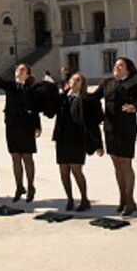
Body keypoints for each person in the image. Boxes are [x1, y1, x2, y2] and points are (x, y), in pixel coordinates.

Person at [88, 57, 137, 216]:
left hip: (126, 128)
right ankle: (122, 198)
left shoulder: (134, 82)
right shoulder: (107, 82)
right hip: (109, 128)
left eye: (120, 65)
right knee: (116, 164)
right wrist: (78, 94)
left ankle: (130, 200)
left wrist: (135, 107)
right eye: (115, 65)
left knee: (125, 164)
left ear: (128, 69)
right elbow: (93, 98)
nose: (116, 67)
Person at [52, 73, 103, 211]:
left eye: (78, 80)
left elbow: (94, 123)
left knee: (76, 170)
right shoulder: (62, 98)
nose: (74, 82)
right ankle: (69, 199)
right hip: (62, 138)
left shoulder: (86, 99)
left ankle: (84, 199)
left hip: (78, 139)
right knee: (63, 170)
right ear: (68, 82)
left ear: (82, 84)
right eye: (73, 79)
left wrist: (99, 143)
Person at [0, 64, 41, 202]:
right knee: (15, 158)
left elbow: (35, 107)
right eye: (18, 69)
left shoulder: (31, 88)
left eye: (23, 70)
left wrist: (37, 125)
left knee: (27, 157)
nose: (19, 71)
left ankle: (31, 186)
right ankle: (19, 187)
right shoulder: (10, 86)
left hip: (26, 126)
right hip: (12, 126)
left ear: (28, 74)